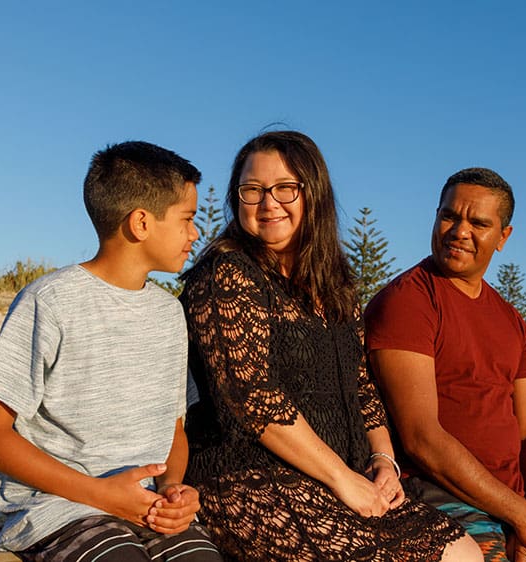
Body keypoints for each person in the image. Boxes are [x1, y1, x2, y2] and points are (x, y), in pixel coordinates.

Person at [179, 130, 482, 561]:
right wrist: (341, 478)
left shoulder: (335, 283)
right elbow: (254, 398)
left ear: (313, 193)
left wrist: (383, 461)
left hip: (341, 475)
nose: (268, 204)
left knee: (463, 553)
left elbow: (361, 386)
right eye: (253, 190)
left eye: (285, 188)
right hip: (252, 478)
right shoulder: (228, 274)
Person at [0, 141, 222, 562]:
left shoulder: (169, 313)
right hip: (62, 510)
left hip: (147, 510)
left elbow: (174, 428)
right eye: (187, 219)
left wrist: (173, 487)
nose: (195, 233)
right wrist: (101, 495)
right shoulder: (50, 301)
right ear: (141, 223)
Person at [364, 168, 526, 562]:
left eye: (479, 223)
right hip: (437, 495)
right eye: (449, 216)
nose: (459, 231)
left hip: (511, 505)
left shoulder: (513, 324)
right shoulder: (409, 302)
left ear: (503, 237)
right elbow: (421, 439)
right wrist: (522, 515)